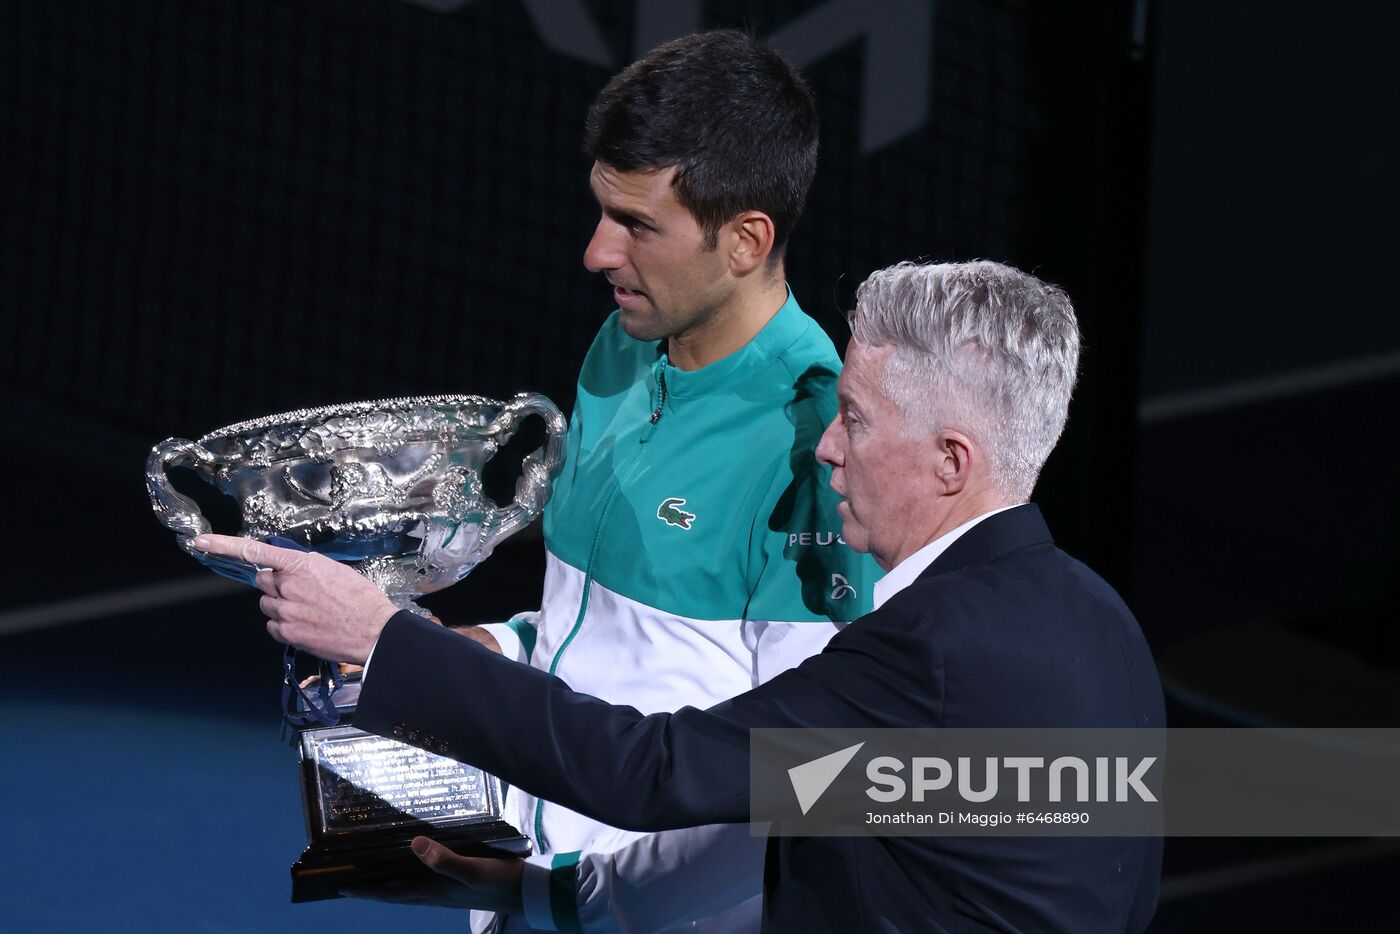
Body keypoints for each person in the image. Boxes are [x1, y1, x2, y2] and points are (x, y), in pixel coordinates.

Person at [198, 259, 1166, 931]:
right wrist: (547, 899)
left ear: (950, 462)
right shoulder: (1103, 626)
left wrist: (384, 639)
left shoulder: (927, 655)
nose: (827, 447)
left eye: (858, 423)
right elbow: (771, 819)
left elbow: (649, 772)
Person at [260, 29, 877, 934]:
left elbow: (801, 781)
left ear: (746, 240)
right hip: (519, 889)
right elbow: (602, 632)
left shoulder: (816, 445)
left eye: (636, 225)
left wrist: (576, 901)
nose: (597, 252)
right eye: (602, 211)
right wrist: (471, 650)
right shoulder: (623, 349)